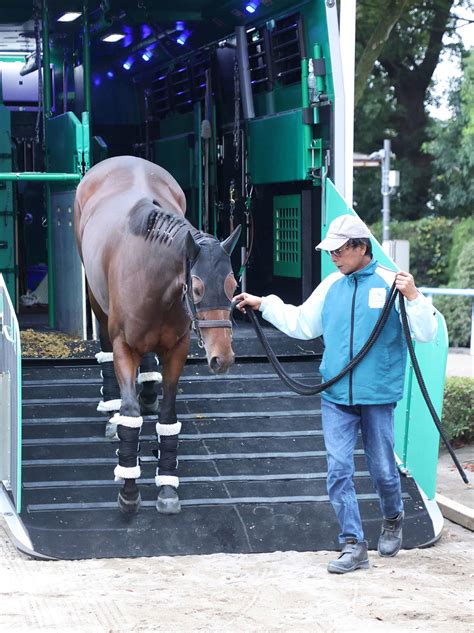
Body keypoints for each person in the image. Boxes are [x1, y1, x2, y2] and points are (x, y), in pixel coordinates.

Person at [234, 214, 438, 574]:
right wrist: (262, 303)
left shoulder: (393, 284)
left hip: (377, 395)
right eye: (331, 251)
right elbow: (302, 323)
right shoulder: (331, 286)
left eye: (340, 250)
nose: (334, 257)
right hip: (335, 395)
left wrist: (416, 297)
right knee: (339, 468)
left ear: (361, 248)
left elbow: (425, 333)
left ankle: (393, 516)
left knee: (383, 470)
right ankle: (353, 543)